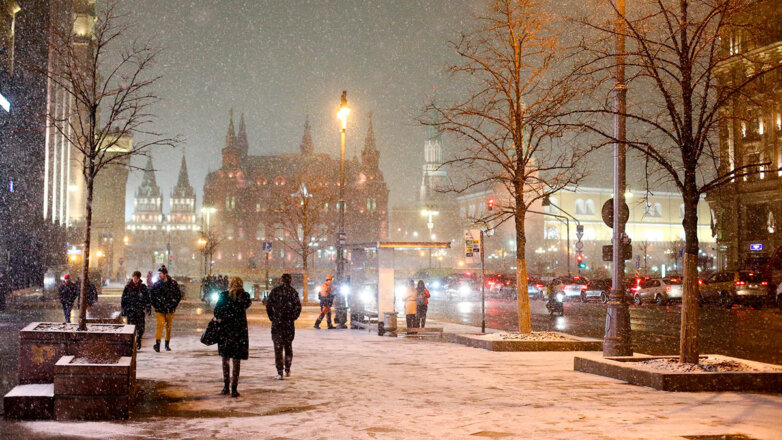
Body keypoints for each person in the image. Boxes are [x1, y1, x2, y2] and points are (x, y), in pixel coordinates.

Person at [213, 277, 251, 397]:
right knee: (236, 360)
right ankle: (234, 388)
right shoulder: (244, 296)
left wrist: (224, 316)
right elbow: (246, 304)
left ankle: (226, 386)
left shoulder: (224, 296)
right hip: (239, 332)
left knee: (225, 359)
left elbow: (216, 311)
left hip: (226, 331)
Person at [266, 273, 302, 380]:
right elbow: (298, 307)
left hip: (277, 323)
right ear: (290, 281)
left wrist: (273, 317)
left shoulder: (275, 291)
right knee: (288, 346)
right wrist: (292, 317)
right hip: (288, 324)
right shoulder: (293, 292)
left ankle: (279, 371)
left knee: (278, 348)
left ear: (281, 280)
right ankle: (287, 368)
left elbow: (268, 306)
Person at [150, 265, 181, 352]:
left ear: (165, 274)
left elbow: (178, 295)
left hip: (170, 309)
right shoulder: (157, 284)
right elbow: (152, 296)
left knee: (168, 327)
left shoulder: (173, 284)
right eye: (158, 273)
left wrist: (173, 305)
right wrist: (156, 305)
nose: (159, 275)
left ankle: (167, 344)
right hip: (160, 309)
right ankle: (158, 344)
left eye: (160, 273)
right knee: (160, 325)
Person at [121, 271, 151, 349]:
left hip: (140, 311)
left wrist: (148, 308)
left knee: (141, 328)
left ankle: (138, 340)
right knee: (131, 327)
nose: (135, 279)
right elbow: (123, 299)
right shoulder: (128, 287)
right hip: (130, 311)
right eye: (134, 277)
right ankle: (131, 343)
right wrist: (123, 310)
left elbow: (147, 298)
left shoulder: (143, 287)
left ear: (139, 278)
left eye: (137, 278)